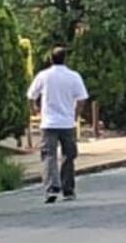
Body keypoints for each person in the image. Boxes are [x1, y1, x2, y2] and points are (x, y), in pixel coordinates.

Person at [27, 46, 89, 204]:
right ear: (65, 59)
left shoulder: (44, 76)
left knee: (49, 155)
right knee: (69, 156)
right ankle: (68, 189)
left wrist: (35, 110)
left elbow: (31, 95)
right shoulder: (74, 76)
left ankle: (52, 188)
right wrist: (75, 114)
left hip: (48, 123)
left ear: (50, 59)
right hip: (67, 123)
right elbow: (82, 99)